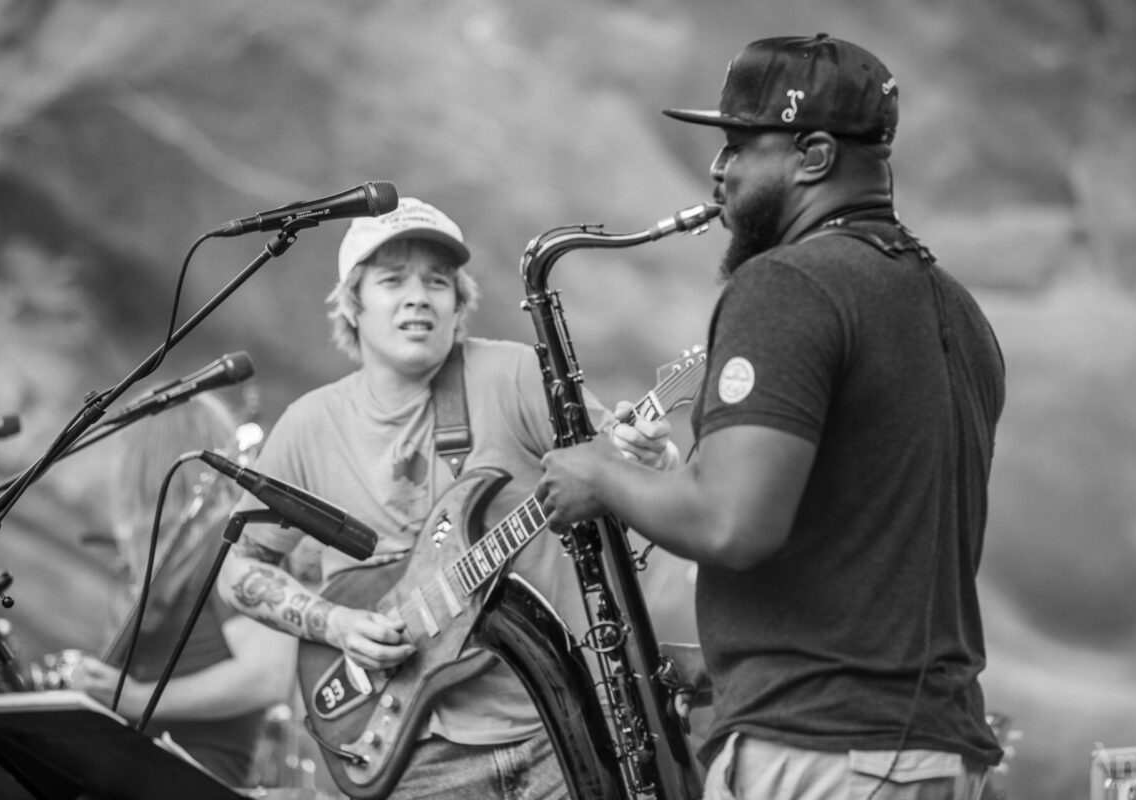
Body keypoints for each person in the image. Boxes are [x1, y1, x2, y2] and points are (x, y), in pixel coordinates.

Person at [535, 34, 1007, 800]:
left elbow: (734, 526)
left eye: (738, 145)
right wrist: (672, 478)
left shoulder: (786, 284)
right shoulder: (955, 305)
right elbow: (856, 519)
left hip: (824, 755)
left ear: (814, 156)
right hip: (931, 751)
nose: (718, 170)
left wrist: (602, 475)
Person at [216, 197, 677, 799]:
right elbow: (241, 568)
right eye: (392, 281)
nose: (419, 296)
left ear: (458, 304)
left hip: (558, 731)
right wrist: (336, 624)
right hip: (413, 752)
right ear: (352, 304)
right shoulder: (309, 427)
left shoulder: (511, 375)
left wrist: (651, 457)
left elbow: (617, 475)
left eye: (438, 282)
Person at [67, 393, 297, 787]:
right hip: (129, 769)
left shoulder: (230, 542)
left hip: (190, 778)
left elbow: (268, 675)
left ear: (147, 462)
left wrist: (139, 698)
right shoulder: (149, 561)